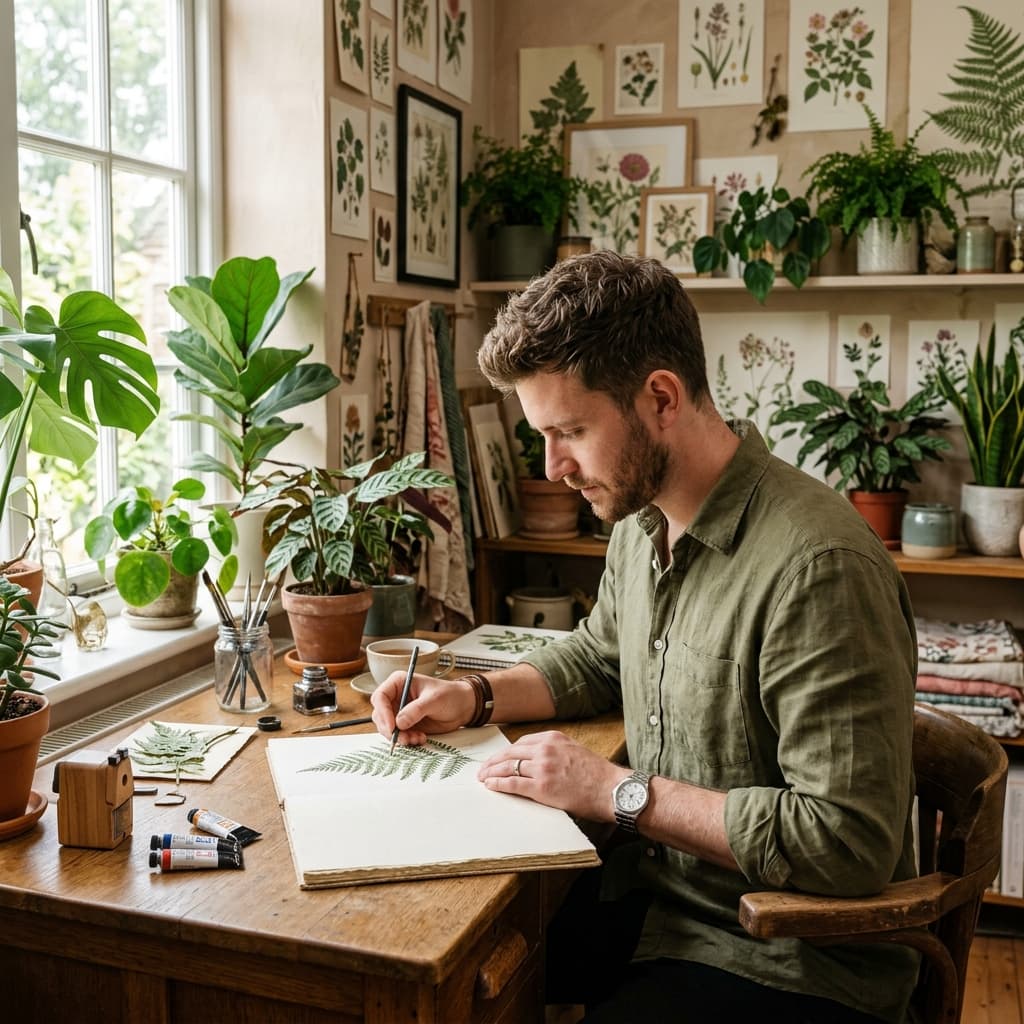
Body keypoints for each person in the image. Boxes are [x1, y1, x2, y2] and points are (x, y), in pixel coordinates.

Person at [370, 251, 918, 1023]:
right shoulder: (642, 517)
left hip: (792, 956)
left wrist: (614, 792)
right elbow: (600, 656)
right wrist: (471, 695)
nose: (554, 467)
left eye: (570, 432)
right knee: (427, 964)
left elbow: (845, 842)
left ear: (660, 396)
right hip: (662, 898)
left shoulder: (819, 567)